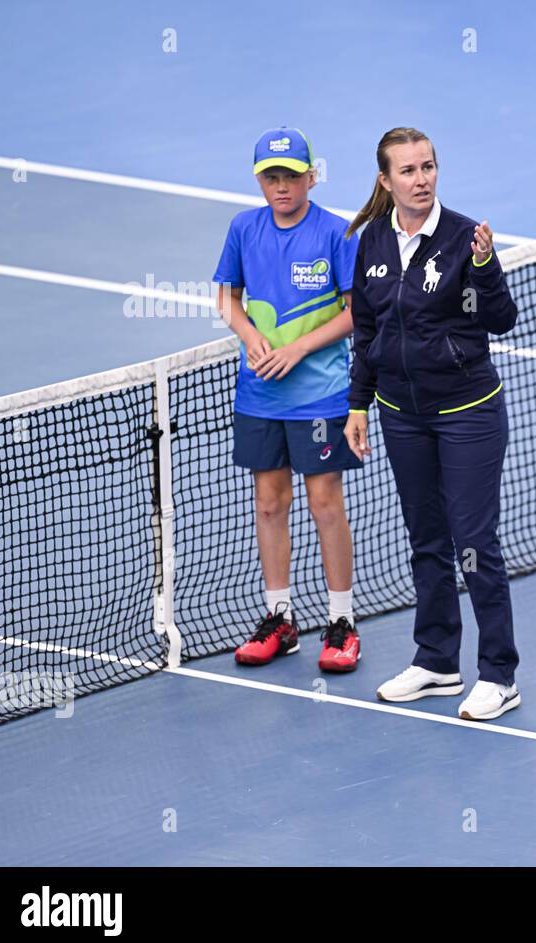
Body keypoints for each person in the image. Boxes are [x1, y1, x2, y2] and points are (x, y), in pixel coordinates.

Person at [344, 128, 522, 721]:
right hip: (402, 417)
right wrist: (358, 405)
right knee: (426, 542)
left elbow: (501, 319)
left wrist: (485, 265)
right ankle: (438, 662)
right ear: (386, 181)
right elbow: (367, 334)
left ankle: (498, 674)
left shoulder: (463, 238)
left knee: (473, 544)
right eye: (409, 170)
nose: (421, 179)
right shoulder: (371, 241)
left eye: (429, 167)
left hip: (467, 413)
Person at [213, 127, 363, 671]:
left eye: (291, 177)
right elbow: (228, 299)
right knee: (270, 504)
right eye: (271, 177)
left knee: (325, 505)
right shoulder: (243, 229)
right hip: (258, 395)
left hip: (320, 396)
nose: (281, 187)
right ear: (260, 180)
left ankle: (342, 622)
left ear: (311, 176)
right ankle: (280, 618)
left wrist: (297, 349)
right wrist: (249, 336)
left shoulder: (335, 232)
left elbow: (355, 313)